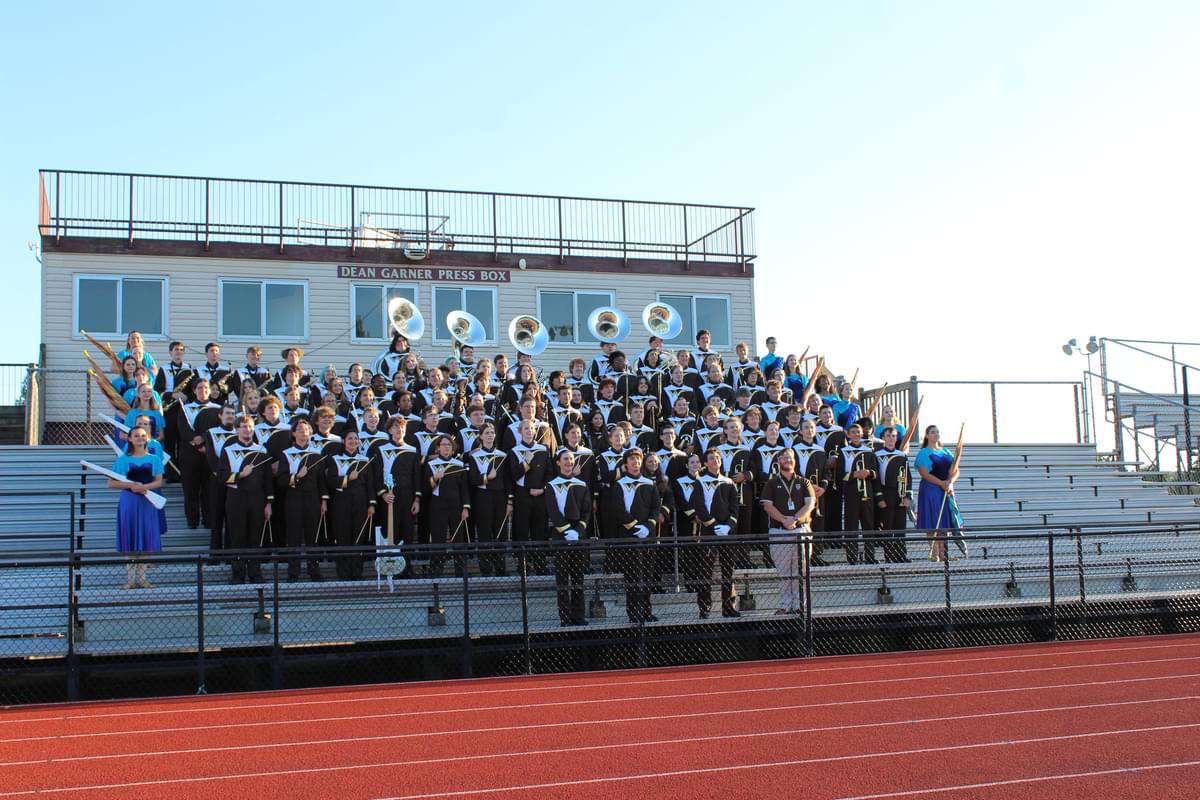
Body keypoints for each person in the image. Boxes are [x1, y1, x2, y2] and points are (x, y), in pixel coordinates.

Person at [759, 448, 816, 615]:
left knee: (802, 571)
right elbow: (767, 506)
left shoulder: (804, 482)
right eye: (784, 457)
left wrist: (795, 519)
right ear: (778, 461)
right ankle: (785, 605)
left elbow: (810, 504)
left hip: (801, 530)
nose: (787, 460)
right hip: (779, 531)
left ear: (795, 461)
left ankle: (800, 605)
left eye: (790, 457)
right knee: (784, 572)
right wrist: (784, 520)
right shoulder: (771, 483)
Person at [108, 425, 165, 589]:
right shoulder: (122, 459)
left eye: (143, 435)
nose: (140, 438)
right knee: (130, 538)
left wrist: (145, 487)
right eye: (136, 436)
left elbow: (159, 481)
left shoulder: (154, 459)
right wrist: (130, 485)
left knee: (146, 538)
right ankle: (131, 579)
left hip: (147, 502)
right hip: (129, 503)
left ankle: (142, 578)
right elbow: (111, 483)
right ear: (130, 439)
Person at [217, 415, 272, 583]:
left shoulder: (261, 450)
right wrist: (241, 475)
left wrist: (269, 502)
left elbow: (268, 479)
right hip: (236, 497)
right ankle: (238, 574)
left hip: (257, 499)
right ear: (236, 429)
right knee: (237, 537)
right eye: (243, 427)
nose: (246, 430)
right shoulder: (228, 450)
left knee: (255, 537)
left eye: (249, 426)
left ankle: (255, 572)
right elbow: (221, 476)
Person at [610, 448, 661, 623]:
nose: (635, 463)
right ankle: (633, 613)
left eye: (638, 460)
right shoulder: (619, 484)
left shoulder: (650, 483)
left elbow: (656, 508)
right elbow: (617, 509)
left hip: (648, 536)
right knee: (632, 577)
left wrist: (648, 526)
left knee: (647, 576)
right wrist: (634, 526)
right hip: (629, 536)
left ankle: (647, 611)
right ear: (626, 464)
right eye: (631, 460)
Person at [692, 447, 741, 618]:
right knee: (706, 571)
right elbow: (699, 506)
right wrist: (713, 525)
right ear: (705, 463)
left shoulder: (729, 482)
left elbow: (735, 509)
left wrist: (728, 526)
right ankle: (704, 608)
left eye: (718, 458)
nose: (715, 461)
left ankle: (729, 607)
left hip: (727, 532)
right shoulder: (700, 481)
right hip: (709, 532)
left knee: (729, 571)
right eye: (711, 458)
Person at [546, 448, 592, 626]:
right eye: (565, 459)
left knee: (578, 578)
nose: (568, 462)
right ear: (558, 462)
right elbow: (553, 510)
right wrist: (566, 531)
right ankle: (564, 617)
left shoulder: (582, 484)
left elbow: (587, 511)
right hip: (561, 535)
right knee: (563, 579)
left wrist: (578, 531)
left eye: (571, 459)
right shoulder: (551, 484)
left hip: (578, 535)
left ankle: (578, 615)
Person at [277, 418, 326, 582]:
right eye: (300, 430)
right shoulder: (286, 453)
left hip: (313, 499)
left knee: (313, 537)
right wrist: (296, 477)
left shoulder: (317, 454)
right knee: (294, 537)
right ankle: (293, 572)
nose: (303, 432)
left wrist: (324, 501)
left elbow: (322, 482)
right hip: (294, 499)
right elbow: (281, 480)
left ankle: (314, 571)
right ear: (293, 433)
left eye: (306, 430)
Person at [325, 430, 375, 580]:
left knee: (358, 539)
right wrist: (347, 479)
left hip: (360, 503)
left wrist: (371, 504)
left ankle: (357, 572)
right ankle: (343, 573)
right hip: (341, 504)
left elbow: (370, 485)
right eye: (349, 438)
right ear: (344, 441)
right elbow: (331, 481)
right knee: (343, 538)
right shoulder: (335, 459)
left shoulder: (365, 460)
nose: (353, 441)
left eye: (355, 439)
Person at [915, 425, 967, 561]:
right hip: (931, 489)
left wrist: (950, 482)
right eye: (932, 432)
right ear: (927, 436)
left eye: (937, 432)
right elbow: (924, 473)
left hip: (945, 489)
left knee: (944, 522)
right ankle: (934, 553)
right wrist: (941, 483)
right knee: (932, 520)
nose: (936, 434)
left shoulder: (946, 452)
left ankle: (944, 554)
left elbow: (956, 470)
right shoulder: (924, 452)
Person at [834, 422, 883, 564]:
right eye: (853, 432)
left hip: (867, 491)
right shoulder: (843, 451)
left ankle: (870, 556)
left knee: (869, 525)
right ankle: (852, 558)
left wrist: (868, 472)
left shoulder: (868, 451)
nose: (856, 434)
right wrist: (855, 474)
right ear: (848, 435)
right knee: (851, 525)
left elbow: (876, 474)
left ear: (862, 434)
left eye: (858, 432)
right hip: (851, 492)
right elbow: (839, 474)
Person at [467, 421, 511, 577]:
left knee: (500, 533)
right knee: (485, 533)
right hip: (482, 497)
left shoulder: (502, 455)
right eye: (486, 432)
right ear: (480, 436)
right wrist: (487, 477)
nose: (490, 435)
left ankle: (500, 569)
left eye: (492, 432)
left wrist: (509, 501)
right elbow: (472, 479)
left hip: (499, 497)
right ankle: (485, 569)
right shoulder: (474, 455)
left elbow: (507, 480)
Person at [422, 435, 470, 577]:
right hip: (438, 506)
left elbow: (464, 489)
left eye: (449, 445)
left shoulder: (459, 464)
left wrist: (465, 507)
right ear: (438, 448)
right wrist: (435, 478)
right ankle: (436, 572)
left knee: (459, 539)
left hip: (456, 506)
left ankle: (461, 572)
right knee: (438, 539)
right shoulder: (431, 464)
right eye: (443, 445)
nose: (446, 447)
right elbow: (425, 489)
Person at [508, 419, 550, 574]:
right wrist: (526, 462)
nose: (529, 431)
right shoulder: (514, 451)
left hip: (540, 495)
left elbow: (549, 473)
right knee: (522, 530)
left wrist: (542, 489)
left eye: (531, 428)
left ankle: (540, 564)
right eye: (526, 428)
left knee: (539, 531)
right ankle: (523, 565)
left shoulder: (543, 449)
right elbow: (513, 475)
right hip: (522, 495)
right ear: (520, 432)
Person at [875, 426, 912, 563]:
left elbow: (907, 477)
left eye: (894, 436)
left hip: (900, 494)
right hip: (886, 493)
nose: (891, 438)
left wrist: (907, 496)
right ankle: (889, 556)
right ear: (883, 438)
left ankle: (901, 555)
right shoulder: (877, 455)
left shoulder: (902, 455)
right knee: (888, 526)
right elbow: (876, 478)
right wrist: (879, 497)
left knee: (900, 526)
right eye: (888, 436)